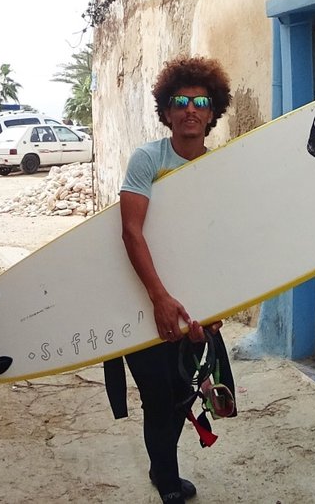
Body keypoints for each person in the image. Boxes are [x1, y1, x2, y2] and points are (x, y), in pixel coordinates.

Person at [117, 55, 232, 503]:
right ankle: (167, 482)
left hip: (193, 306)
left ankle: (162, 467)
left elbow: (216, 246)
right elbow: (131, 232)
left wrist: (216, 309)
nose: (190, 109)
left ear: (212, 111)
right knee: (158, 398)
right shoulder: (148, 160)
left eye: (200, 101)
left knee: (182, 395)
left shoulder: (218, 167)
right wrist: (159, 298)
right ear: (166, 111)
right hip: (141, 297)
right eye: (179, 101)